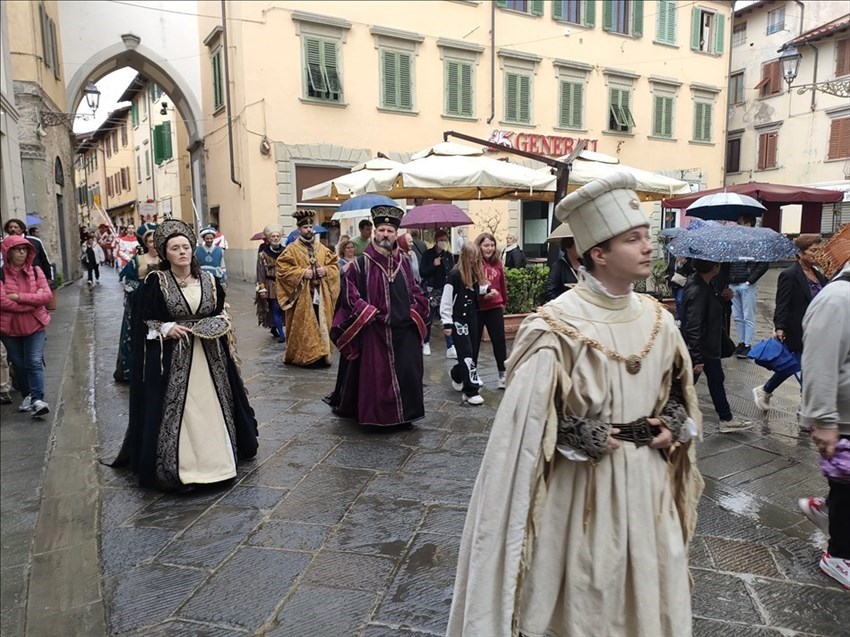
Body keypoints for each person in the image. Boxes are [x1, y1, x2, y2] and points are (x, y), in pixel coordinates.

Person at [448, 173, 703, 636]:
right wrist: (576, 432)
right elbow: (524, 428)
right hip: (585, 489)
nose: (648, 247)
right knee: (587, 594)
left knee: (651, 583)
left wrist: (671, 420)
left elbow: (675, 391)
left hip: (648, 485)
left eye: (647, 236)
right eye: (633, 238)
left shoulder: (657, 318)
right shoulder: (556, 325)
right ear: (598, 254)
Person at [109, 220, 258, 491]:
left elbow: (219, 310)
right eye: (175, 248)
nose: (182, 252)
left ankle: (219, 462)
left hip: (210, 355)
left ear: (193, 250)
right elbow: (143, 319)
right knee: (184, 410)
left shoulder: (209, 280)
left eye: (186, 247)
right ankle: (184, 467)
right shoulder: (156, 283)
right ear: (165, 253)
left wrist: (221, 321)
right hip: (174, 358)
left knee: (213, 405)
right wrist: (166, 327)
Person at [326, 203, 429, 427]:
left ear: (396, 234)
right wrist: (367, 311)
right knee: (375, 377)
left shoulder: (404, 263)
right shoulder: (360, 264)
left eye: (390, 231)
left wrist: (415, 311)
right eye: (381, 230)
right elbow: (348, 294)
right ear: (374, 232)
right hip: (374, 331)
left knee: (409, 372)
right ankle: (377, 418)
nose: (385, 234)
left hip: (403, 330)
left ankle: (405, 416)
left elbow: (416, 291)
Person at [753, 234, 828, 414]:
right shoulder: (789, 274)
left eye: (819, 250)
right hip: (797, 330)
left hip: (818, 330)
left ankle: (765, 389)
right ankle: (806, 409)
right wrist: (779, 327)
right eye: (813, 250)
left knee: (792, 365)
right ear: (800, 253)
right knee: (805, 370)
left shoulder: (820, 275)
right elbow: (782, 303)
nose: (816, 254)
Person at [680, 258, 752, 433]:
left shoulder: (705, 284)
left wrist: (723, 298)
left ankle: (726, 418)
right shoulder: (698, 289)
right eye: (718, 263)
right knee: (687, 384)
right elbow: (694, 324)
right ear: (714, 267)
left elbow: (709, 309)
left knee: (714, 380)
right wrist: (697, 357)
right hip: (702, 347)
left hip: (707, 346)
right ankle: (668, 416)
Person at [275, 210, 340, 367]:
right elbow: (282, 270)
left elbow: (334, 266)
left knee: (321, 323)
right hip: (301, 297)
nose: (309, 230)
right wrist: (302, 273)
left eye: (311, 227)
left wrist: (325, 270)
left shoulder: (322, 249)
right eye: (305, 227)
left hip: (321, 295)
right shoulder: (291, 250)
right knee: (304, 326)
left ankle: (323, 354)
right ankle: (306, 356)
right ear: (299, 229)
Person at [0, 234, 53, 418]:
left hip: (35, 325)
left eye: (24, 249)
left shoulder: (36, 271)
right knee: (19, 365)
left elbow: (46, 297)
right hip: (10, 329)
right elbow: (2, 302)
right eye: (17, 249)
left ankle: (37, 399)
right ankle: (28, 396)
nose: (22, 252)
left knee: (33, 362)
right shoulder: (1, 274)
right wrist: (33, 300)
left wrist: (19, 297)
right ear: (8, 252)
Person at [441, 242, 489, 405]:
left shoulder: (475, 274)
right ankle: (470, 390)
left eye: (476, 259)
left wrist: (485, 288)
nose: (474, 262)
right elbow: (446, 300)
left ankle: (457, 373)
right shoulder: (454, 275)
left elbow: (478, 292)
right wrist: (447, 323)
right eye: (471, 258)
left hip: (472, 317)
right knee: (466, 352)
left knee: (472, 352)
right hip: (458, 320)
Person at [115, 224, 159, 382]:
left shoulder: (166, 258)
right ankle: (137, 369)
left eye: (156, 240)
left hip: (161, 303)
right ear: (146, 243)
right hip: (141, 303)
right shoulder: (138, 259)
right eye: (150, 241)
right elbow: (129, 281)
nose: (154, 244)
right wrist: (141, 292)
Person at [729, 215, 769, 359]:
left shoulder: (756, 242)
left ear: (748, 223)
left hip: (745, 283)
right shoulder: (735, 241)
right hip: (734, 283)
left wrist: (750, 280)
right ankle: (741, 342)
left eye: (740, 222)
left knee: (748, 315)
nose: (737, 225)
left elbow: (764, 263)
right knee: (738, 316)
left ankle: (747, 344)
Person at [474, 232, 508, 389]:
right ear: (479, 246)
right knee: (474, 343)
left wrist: (504, 302)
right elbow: (470, 287)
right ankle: (472, 372)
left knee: (499, 341)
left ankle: (502, 373)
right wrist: (483, 296)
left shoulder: (498, 263)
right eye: (486, 245)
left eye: (492, 245)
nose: (489, 248)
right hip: (478, 308)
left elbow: (502, 284)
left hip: (495, 307)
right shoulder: (474, 263)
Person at [420, 229, 456, 358]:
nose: (443, 242)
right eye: (441, 240)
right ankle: (426, 342)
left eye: (445, 240)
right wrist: (433, 265)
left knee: (447, 317)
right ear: (436, 240)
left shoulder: (448, 255)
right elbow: (422, 272)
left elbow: (452, 271)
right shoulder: (427, 254)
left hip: (445, 289)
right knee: (429, 317)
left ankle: (450, 346)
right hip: (431, 289)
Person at [255, 224, 286, 343]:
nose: (276, 238)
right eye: (273, 236)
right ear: (268, 238)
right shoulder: (263, 254)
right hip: (270, 284)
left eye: (278, 236)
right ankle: (282, 334)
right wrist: (261, 288)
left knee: (283, 309)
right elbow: (260, 272)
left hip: (284, 285)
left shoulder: (285, 251)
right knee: (275, 308)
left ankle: (274, 327)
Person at [3, 218, 51, 283]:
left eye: (15, 227)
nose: (13, 229)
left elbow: (44, 260)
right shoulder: (3, 244)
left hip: (35, 277)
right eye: (10, 227)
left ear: (22, 229)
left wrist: (49, 277)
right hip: (11, 279)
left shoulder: (35, 242)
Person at [543, 236, 581, 302]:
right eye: (577, 245)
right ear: (567, 247)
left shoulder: (585, 264)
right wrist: (564, 302)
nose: (580, 248)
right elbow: (549, 292)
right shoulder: (559, 266)